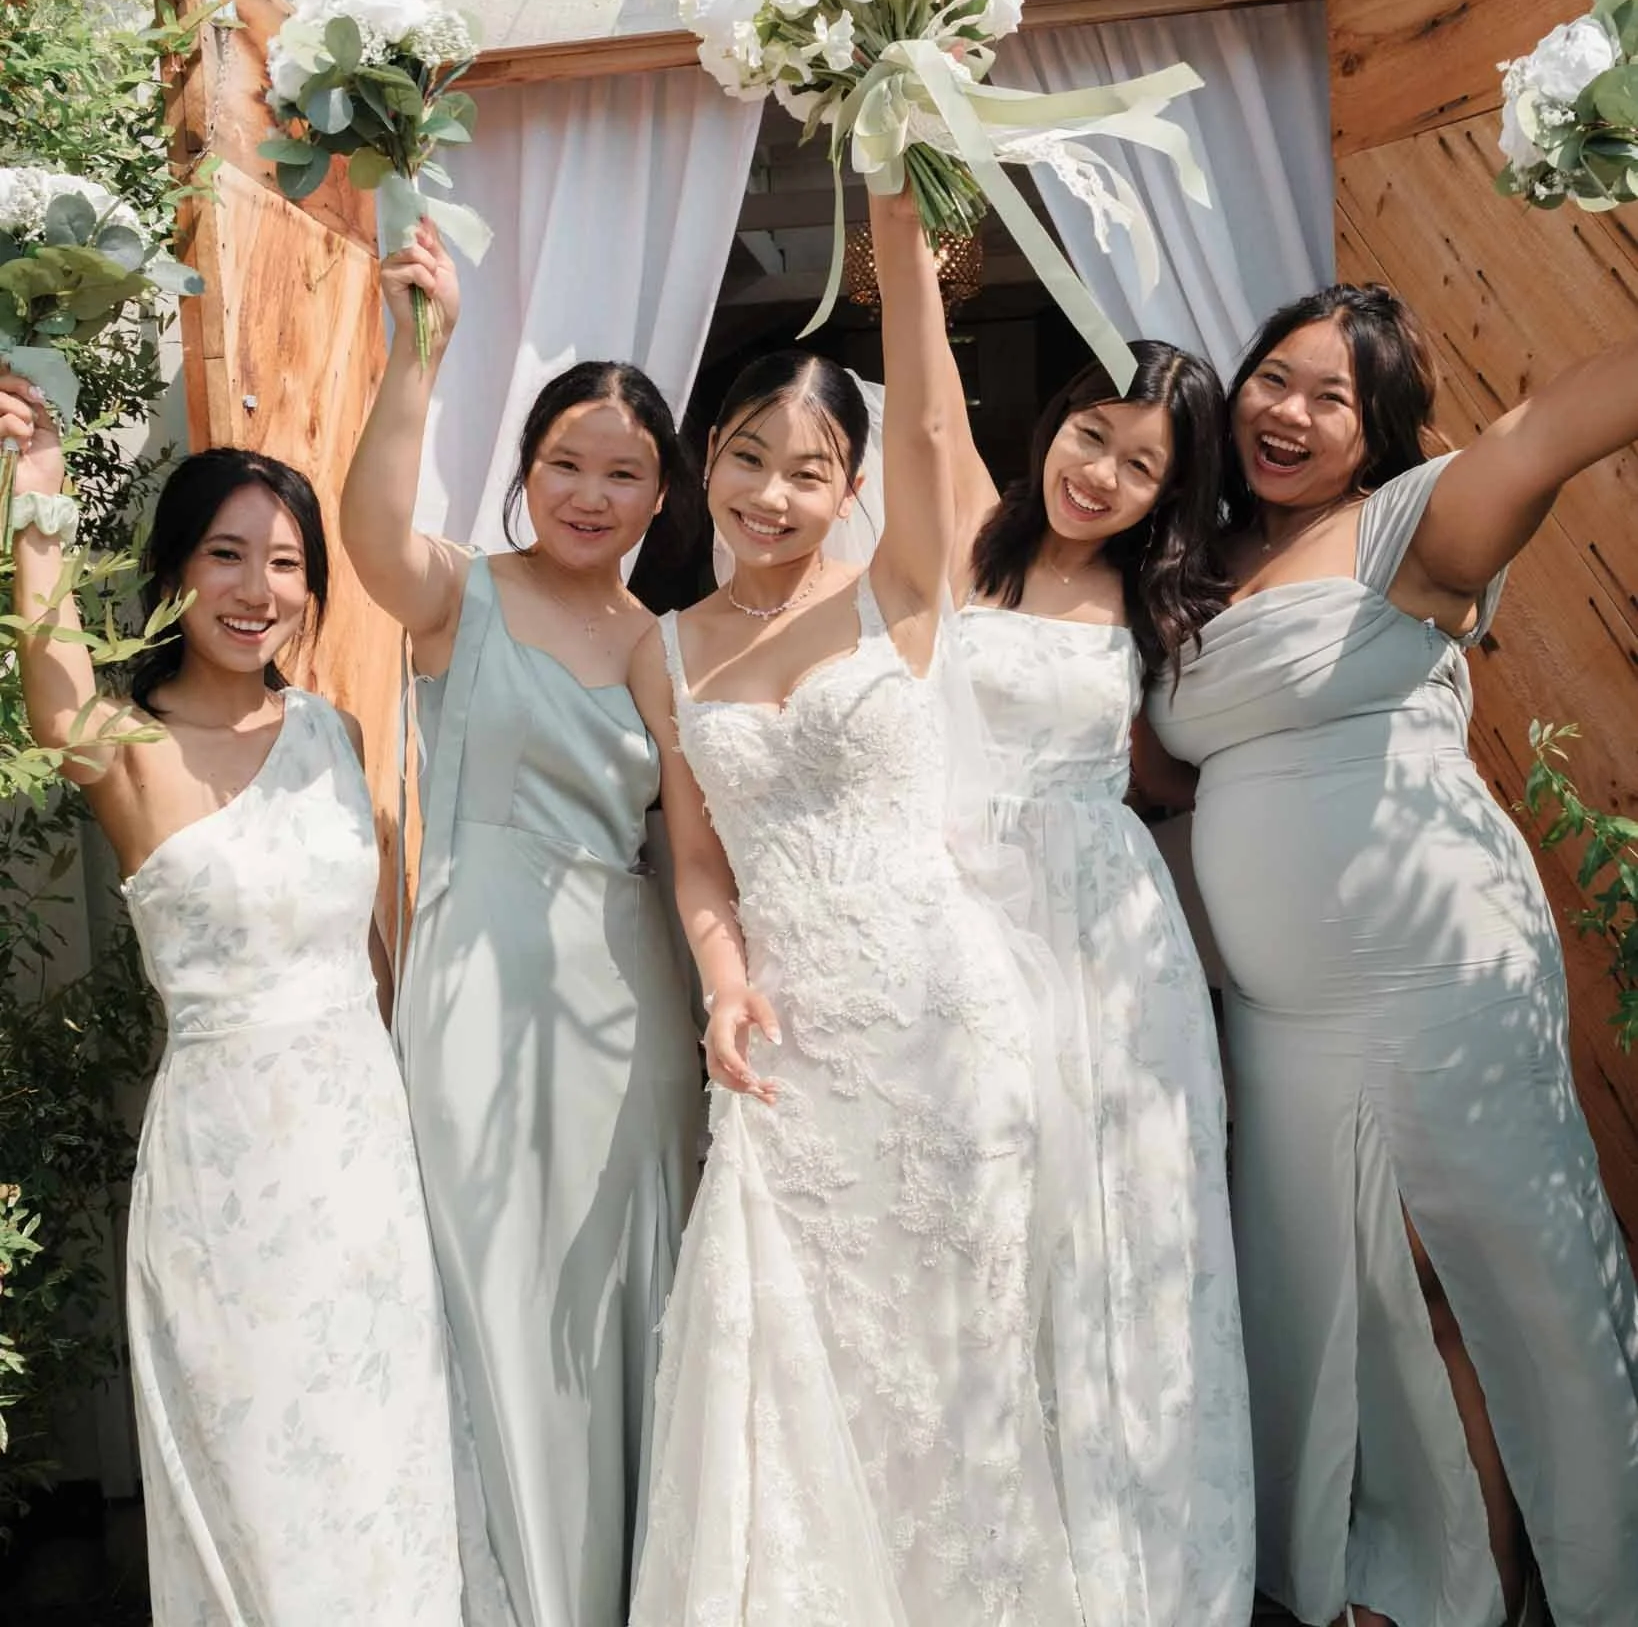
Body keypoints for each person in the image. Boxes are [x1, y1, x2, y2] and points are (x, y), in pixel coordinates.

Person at [1146, 282, 1638, 1627]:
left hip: (1436, 975)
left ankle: (1571, 1583)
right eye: (1271, 377)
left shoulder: (1409, 528)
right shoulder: (1192, 564)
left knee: (1486, 1288)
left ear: (1379, 431)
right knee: (1363, 1317)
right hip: (1279, 1022)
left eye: (1329, 395)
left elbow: (1544, 434)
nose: (1286, 412)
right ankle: (1439, 1583)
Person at [626, 185, 1084, 1627]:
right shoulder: (665, 649)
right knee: (801, 1348)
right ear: (707, 463)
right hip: (790, 1042)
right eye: (749, 458)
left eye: (809, 469)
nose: (772, 492)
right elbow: (698, 856)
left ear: (851, 486)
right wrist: (720, 985)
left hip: (936, 1019)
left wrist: (890, 205)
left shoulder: (899, 587)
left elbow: (942, 437)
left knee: (952, 1351)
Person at [5, 392, 464, 1626]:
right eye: (227, 554)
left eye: (287, 563)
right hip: (223, 1177)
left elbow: (380, 952)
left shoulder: (338, 732)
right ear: (173, 570)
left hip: (363, 1163)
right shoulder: (127, 748)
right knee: (252, 1471)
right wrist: (33, 487)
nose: (258, 587)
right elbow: (50, 678)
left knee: (381, 1464)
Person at [340, 224, 703, 1627]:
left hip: (628, 1010)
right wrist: (414, 357)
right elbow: (369, 533)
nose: (590, 494)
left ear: (660, 492)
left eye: (623, 473)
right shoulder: (458, 600)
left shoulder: (658, 646)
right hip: (475, 997)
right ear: (526, 470)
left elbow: (691, 854)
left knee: (617, 1298)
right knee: (488, 1284)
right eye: (566, 464)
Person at [937, 341, 1255, 1625]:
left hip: (1111, 937)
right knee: (999, 1215)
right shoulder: (963, 532)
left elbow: (1178, 768)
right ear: (1053, 416)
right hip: (964, 915)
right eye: (1093, 435)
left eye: (1143, 466)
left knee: (1129, 1225)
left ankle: (1143, 1567)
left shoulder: (1157, 600)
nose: (1104, 476)